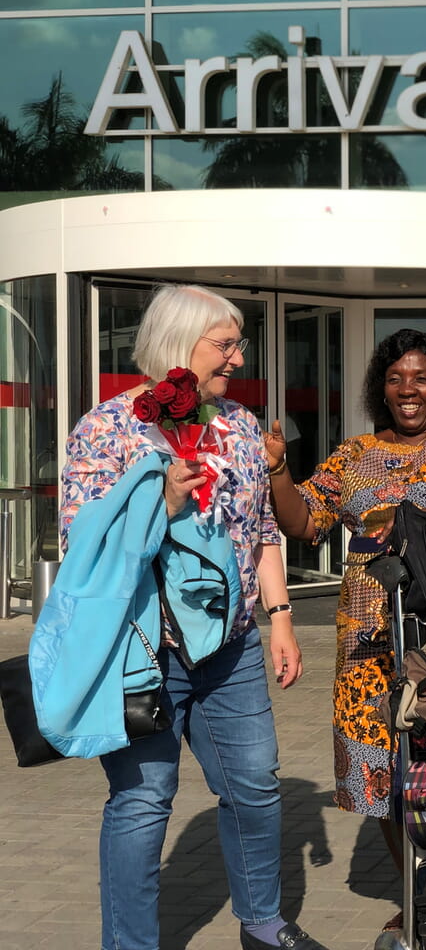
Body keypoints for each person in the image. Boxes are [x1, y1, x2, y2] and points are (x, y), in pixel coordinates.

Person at [57, 285, 326, 950]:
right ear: (180, 344)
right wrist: (159, 506)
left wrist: (282, 617)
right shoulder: (107, 428)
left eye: (238, 342)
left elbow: (261, 529)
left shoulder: (237, 426)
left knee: (257, 790)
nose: (238, 356)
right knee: (143, 806)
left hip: (230, 650)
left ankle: (263, 925)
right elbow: (80, 542)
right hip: (142, 652)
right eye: (224, 343)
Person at [263, 328, 426, 933]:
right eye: (394, 378)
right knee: (381, 769)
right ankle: (421, 895)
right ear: (379, 388)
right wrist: (279, 469)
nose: (407, 390)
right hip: (366, 640)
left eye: (421, 378)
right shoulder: (354, 454)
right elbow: (304, 520)